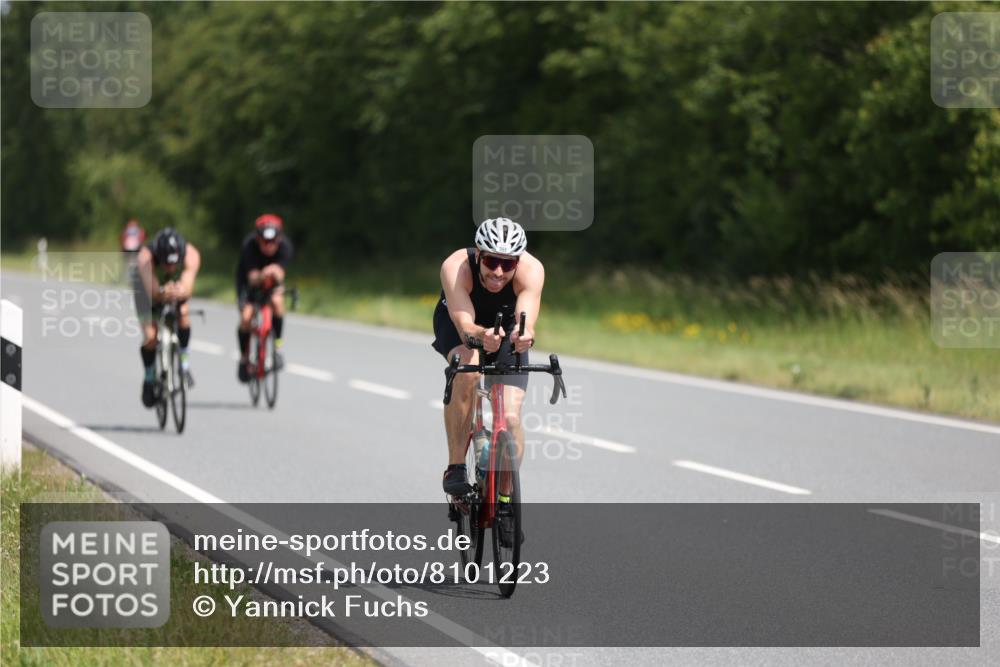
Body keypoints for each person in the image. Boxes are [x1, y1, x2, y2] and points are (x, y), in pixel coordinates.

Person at [432, 218, 544, 515]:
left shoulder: (532, 270)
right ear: (480, 255)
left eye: (507, 265)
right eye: (492, 261)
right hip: (460, 323)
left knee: (510, 415)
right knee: (469, 366)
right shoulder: (456, 266)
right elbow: (465, 324)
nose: (498, 271)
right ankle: (455, 468)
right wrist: (482, 337)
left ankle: (506, 499)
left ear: (517, 263)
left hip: (505, 325)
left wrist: (525, 335)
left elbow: (526, 318)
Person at [134, 227, 201, 406]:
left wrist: (181, 290)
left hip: (173, 289)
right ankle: (148, 378)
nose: (171, 267)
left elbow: (187, 286)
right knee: (150, 336)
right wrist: (162, 292)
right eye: (166, 263)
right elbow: (154, 292)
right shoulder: (145, 258)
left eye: (174, 263)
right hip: (146, 290)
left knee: (184, 314)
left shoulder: (191, 255)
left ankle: (184, 365)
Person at [235, 213, 293, 382]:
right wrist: (264, 274)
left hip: (272, 283)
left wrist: (275, 273)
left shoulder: (285, 247)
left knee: (277, 302)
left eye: (272, 242)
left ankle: (278, 348)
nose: (269, 246)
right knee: (246, 318)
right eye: (264, 242)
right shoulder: (249, 246)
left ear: (279, 238)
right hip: (249, 282)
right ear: (258, 238)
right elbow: (252, 278)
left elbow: (280, 275)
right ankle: (244, 358)